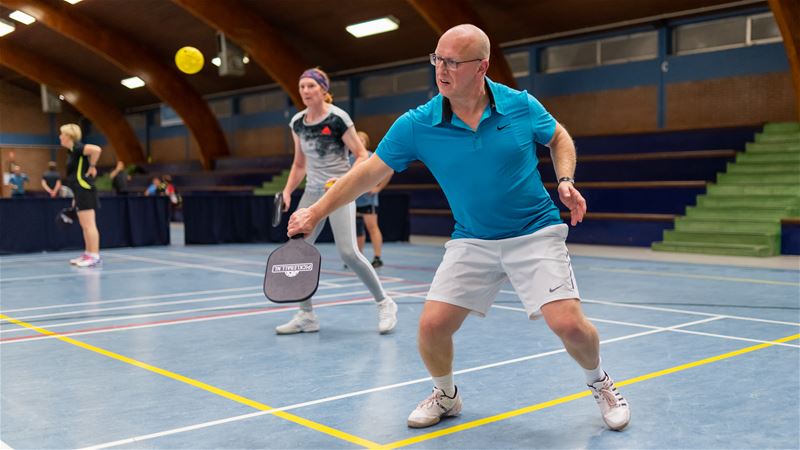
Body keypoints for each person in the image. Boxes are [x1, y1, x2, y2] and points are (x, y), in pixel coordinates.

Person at [288, 25, 630, 431]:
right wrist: (315, 211)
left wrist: (566, 181)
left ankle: (600, 381)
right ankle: (446, 396)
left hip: (534, 231)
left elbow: (558, 138)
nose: (441, 69)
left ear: (481, 66)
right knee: (432, 326)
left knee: (570, 325)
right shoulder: (418, 124)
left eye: (453, 61)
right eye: (437, 59)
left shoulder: (519, 105)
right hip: (473, 238)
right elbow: (366, 173)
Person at [277, 67, 398, 335]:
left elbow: (362, 155)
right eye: (302, 87)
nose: (305, 91)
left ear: (323, 89)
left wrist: (342, 181)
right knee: (298, 251)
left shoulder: (339, 118)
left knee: (348, 252)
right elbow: (299, 164)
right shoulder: (297, 122)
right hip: (312, 192)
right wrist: (287, 191)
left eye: (311, 86)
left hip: (340, 191)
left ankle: (384, 302)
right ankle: (306, 315)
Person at [60, 123, 103, 268]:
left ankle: (95, 256)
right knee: (84, 225)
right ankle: (88, 253)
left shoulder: (78, 148)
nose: (60, 137)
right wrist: (74, 197)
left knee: (90, 225)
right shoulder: (72, 152)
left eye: (62, 134)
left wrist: (92, 166)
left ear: (68, 136)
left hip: (85, 190)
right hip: (78, 191)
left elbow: (97, 149)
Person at [352, 131, 391, 268]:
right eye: (357, 139)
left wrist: (378, 188)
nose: (359, 142)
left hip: (368, 200)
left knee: (372, 227)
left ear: (366, 142)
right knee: (357, 229)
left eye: (362, 140)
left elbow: (389, 170)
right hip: (354, 200)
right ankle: (358, 258)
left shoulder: (372, 156)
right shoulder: (351, 158)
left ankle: (377, 257)